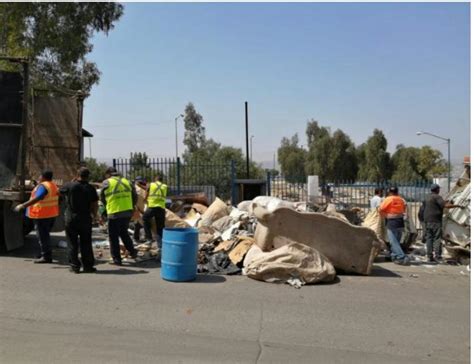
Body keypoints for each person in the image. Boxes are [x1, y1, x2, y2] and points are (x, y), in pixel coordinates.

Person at [14, 170, 59, 263]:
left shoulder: (43, 186)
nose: (38, 178)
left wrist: (23, 205)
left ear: (43, 177)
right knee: (44, 235)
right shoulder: (53, 185)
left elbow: (38, 197)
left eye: (39, 176)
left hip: (42, 215)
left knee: (42, 236)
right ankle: (43, 253)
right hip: (51, 214)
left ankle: (46, 257)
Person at [60, 167, 99, 274]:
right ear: (88, 176)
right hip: (85, 218)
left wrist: (72, 181)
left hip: (71, 217)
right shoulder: (91, 188)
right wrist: (95, 216)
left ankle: (74, 266)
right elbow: (94, 204)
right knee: (86, 242)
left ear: (77, 175)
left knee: (72, 242)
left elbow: (59, 192)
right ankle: (88, 266)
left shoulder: (70, 185)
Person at [100, 167, 138, 265]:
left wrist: (106, 208)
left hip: (114, 212)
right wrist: (131, 206)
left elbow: (102, 197)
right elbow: (135, 196)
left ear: (109, 173)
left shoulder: (106, 182)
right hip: (127, 211)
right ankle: (133, 252)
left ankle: (117, 259)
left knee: (113, 236)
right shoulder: (127, 181)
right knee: (123, 232)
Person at [422, 184, 462, 263]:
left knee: (429, 238)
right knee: (437, 238)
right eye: (439, 189)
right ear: (437, 190)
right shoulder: (437, 197)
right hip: (436, 221)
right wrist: (457, 205)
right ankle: (438, 256)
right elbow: (445, 206)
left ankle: (429, 256)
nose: (439, 190)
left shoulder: (426, 197)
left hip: (427, 220)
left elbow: (430, 205)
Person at [379, 186, 409, 265]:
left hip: (392, 222)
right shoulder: (401, 199)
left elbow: (381, 209)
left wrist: (385, 216)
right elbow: (403, 209)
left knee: (393, 242)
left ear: (389, 192)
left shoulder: (388, 199)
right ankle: (394, 256)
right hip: (400, 222)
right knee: (397, 241)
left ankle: (401, 256)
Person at [143, 174, 168, 248]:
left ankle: (149, 238)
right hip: (161, 208)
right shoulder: (165, 186)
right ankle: (160, 245)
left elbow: (146, 192)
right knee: (160, 227)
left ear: (155, 179)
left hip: (152, 207)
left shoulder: (151, 184)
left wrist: (145, 199)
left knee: (145, 219)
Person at [132, 176, 147, 243]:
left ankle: (137, 237)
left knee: (138, 223)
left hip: (139, 208)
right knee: (141, 223)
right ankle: (139, 237)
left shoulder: (138, 188)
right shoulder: (139, 189)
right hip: (139, 208)